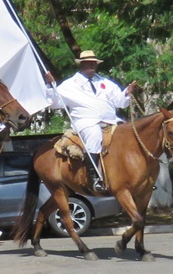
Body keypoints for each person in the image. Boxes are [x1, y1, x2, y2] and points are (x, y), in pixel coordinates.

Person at [48, 49, 135, 193]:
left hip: (111, 120)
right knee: (94, 136)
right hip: (86, 121)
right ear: (81, 64)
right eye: (88, 63)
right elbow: (55, 102)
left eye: (94, 63)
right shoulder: (70, 85)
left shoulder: (105, 83)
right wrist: (51, 86)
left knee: (129, 134)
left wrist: (126, 92)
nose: (92, 65)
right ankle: (94, 177)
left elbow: (120, 102)